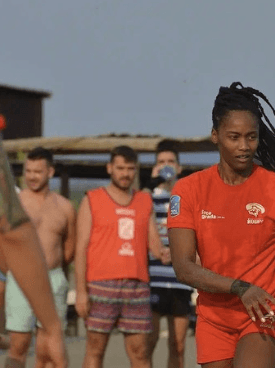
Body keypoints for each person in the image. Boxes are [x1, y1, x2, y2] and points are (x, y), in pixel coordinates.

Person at [167, 82, 275, 368]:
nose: (244, 147)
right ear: (215, 136)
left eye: (251, 137)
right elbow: (184, 267)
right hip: (214, 319)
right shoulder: (187, 191)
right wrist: (240, 287)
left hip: (269, 311)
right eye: (234, 137)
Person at [75, 145, 166, 368]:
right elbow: (81, 247)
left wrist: (189, 254)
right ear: (110, 168)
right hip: (100, 285)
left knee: (141, 354)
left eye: (130, 168)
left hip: (137, 286)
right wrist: (80, 291)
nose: (125, 173)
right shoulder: (92, 199)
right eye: (120, 168)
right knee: (95, 351)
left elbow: (157, 249)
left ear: (136, 170)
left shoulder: (145, 201)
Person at [0, 115, 67, 367]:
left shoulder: (63, 207)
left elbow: (68, 247)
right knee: (18, 345)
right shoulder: (14, 202)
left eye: (38, 171)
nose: (32, 176)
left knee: (48, 347)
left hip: (53, 277)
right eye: (28, 171)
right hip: (19, 278)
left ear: (50, 172)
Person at [145, 139, 193, 368]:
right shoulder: (147, 197)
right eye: (161, 162)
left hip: (180, 280)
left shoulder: (188, 196)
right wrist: (151, 182)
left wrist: (179, 254)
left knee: (178, 345)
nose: (166, 166)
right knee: (148, 344)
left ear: (179, 167)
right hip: (153, 279)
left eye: (170, 162)